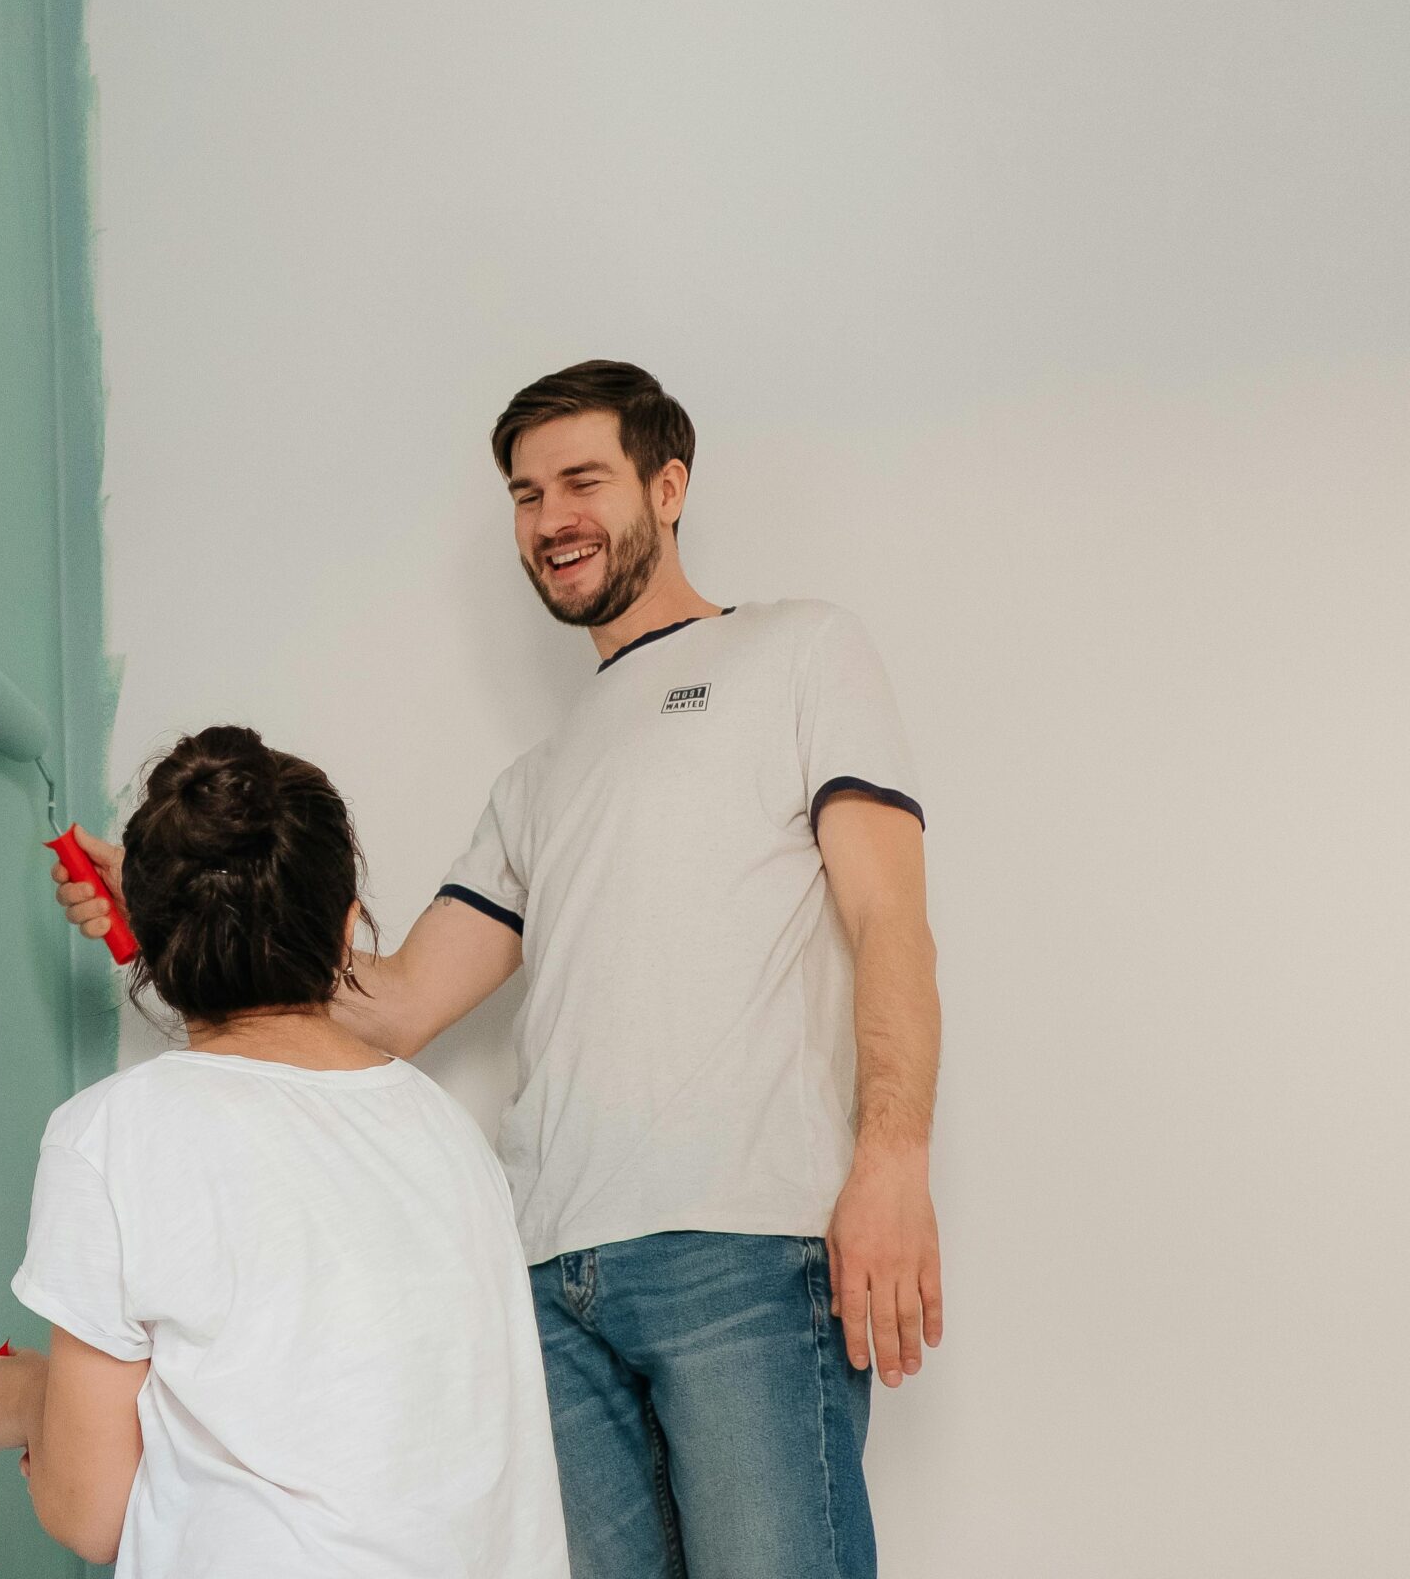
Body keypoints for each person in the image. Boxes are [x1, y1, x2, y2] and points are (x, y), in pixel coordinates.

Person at [52, 363, 942, 1579]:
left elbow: (890, 917)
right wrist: (180, 904)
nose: (551, 519)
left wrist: (891, 1161)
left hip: (739, 1253)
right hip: (547, 1283)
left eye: (582, 481)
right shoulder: (539, 779)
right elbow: (398, 1003)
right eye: (527, 495)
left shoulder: (801, 653)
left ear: (668, 486)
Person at [0, 725, 570, 1579]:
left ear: (147, 944)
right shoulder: (449, 1133)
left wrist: (32, 1403)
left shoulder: (111, 1135)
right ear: (349, 929)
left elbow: (90, 1516)